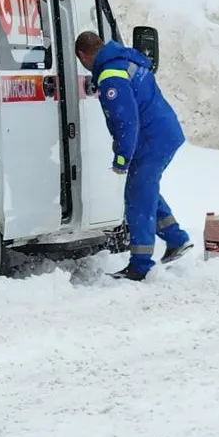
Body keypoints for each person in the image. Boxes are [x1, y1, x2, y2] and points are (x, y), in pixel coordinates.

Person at [74, 31, 192, 280]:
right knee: (144, 189)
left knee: (138, 197)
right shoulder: (122, 60)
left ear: (83, 56)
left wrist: (122, 158)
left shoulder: (110, 75)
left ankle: (141, 265)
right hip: (161, 133)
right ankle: (176, 238)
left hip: (152, 139)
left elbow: (126, 121)